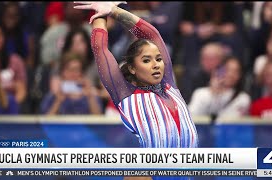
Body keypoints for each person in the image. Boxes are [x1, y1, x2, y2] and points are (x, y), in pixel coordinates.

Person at [74, 2, 199, 148]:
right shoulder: (125, 94)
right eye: (146, 60)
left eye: (158, 59)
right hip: (156, 169)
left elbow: (153, 35)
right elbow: (99, 48)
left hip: (191, 169)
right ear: (132, 68)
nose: (156, 64)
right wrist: (100, 12)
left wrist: (115, 11)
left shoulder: (169, 84)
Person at [188, 56, 251, 121]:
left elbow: (231, 120)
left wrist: (217, 96)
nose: (231, 74)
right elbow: (192, 117)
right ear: (218, 71)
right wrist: (212, 93)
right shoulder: (201, 93)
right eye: (227, 69)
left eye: (236, 71)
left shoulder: (243, 98)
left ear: (240, 76)